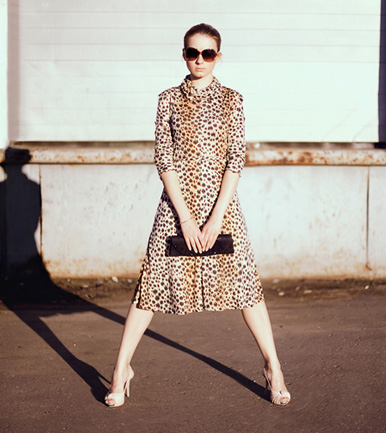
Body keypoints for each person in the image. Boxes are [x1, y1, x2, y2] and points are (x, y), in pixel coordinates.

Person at [105, 23, 291, 407]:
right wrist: (186, 218)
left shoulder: (233, 100)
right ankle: (121, 370)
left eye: (208, 53)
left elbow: (235, 161)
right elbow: (164, 160)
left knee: (246, 287)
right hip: (175, 209)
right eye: (193, 52)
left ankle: (274, 366)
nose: (200, 60)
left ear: (218, 56)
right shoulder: (167, 100)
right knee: (150, 287)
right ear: (184, 54)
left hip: (222, 208)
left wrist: (216, 217)